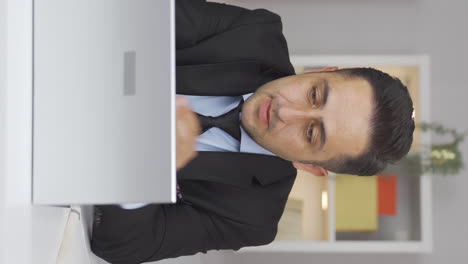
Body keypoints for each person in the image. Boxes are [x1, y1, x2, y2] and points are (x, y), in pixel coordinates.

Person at [91, 0, 415, 263]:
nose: (286, 111)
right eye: (314, 94)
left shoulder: (252, 219)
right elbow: (128, 18)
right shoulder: (253, 32)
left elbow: (124, 247)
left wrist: (145, 168)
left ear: (310, 166)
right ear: (321, 71)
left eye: (311, 134)